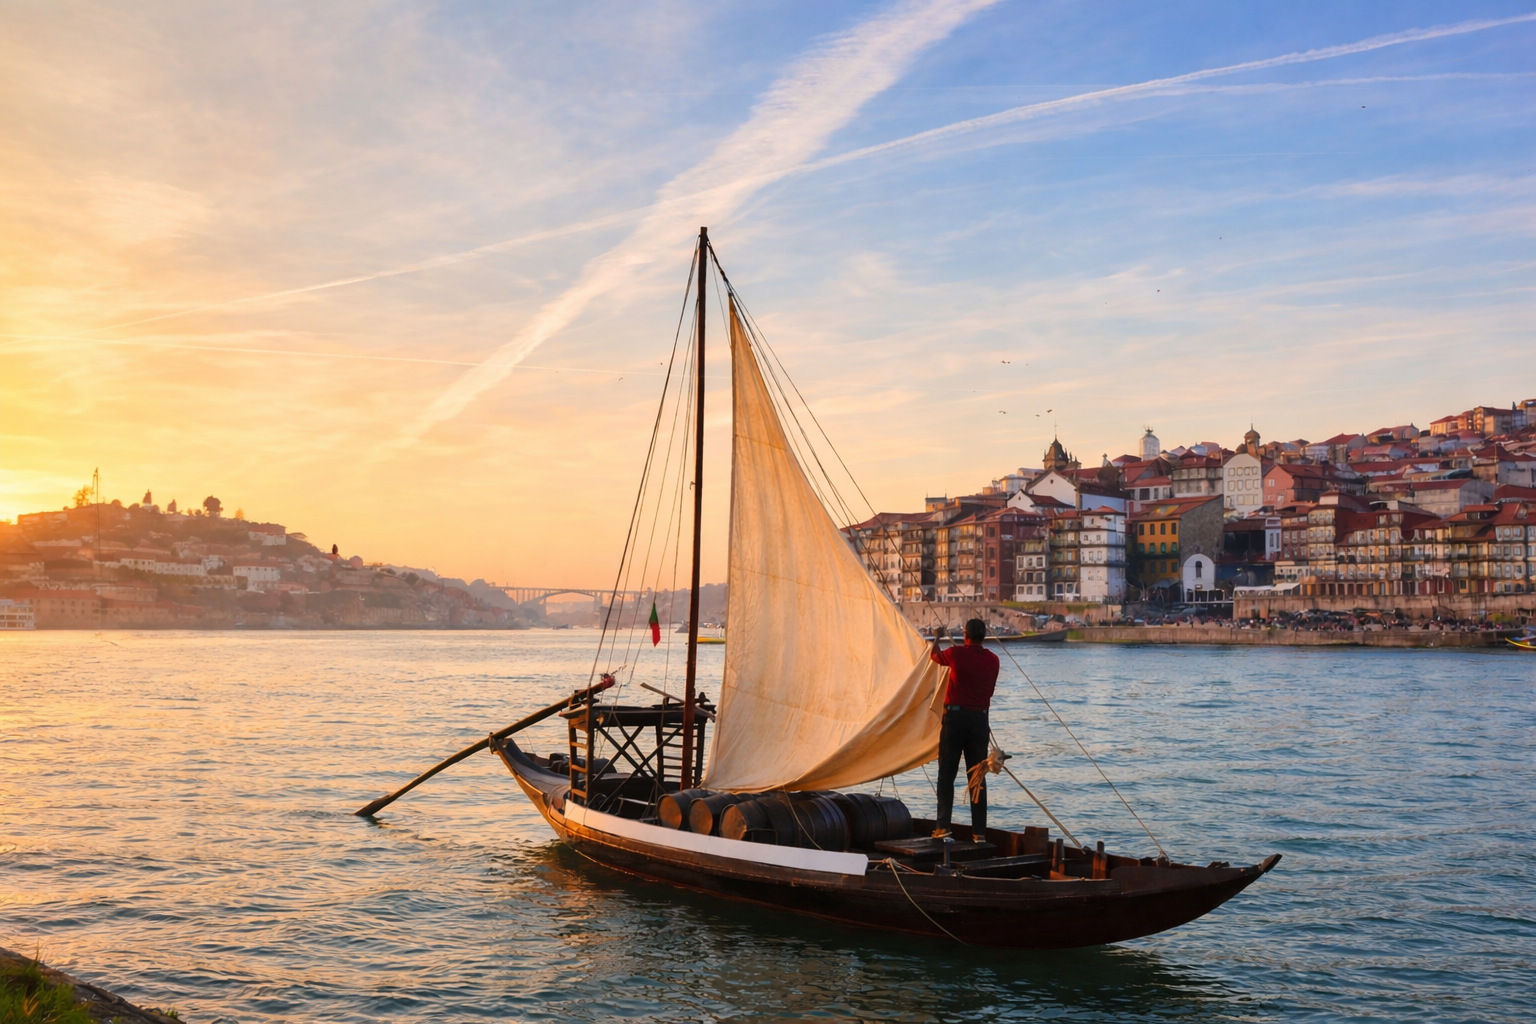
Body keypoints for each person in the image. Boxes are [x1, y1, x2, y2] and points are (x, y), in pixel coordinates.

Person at [929, 618, 999, 839]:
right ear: (984, 636)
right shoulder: (994, 660)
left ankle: (942, 827)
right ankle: (979, 833)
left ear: (965, 635)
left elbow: (934, 655)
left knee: (946, 774)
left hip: (956, 719)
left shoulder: (956, 654)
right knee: (977, 777)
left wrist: (937, 635)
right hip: (980, 722)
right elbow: (990, 691)